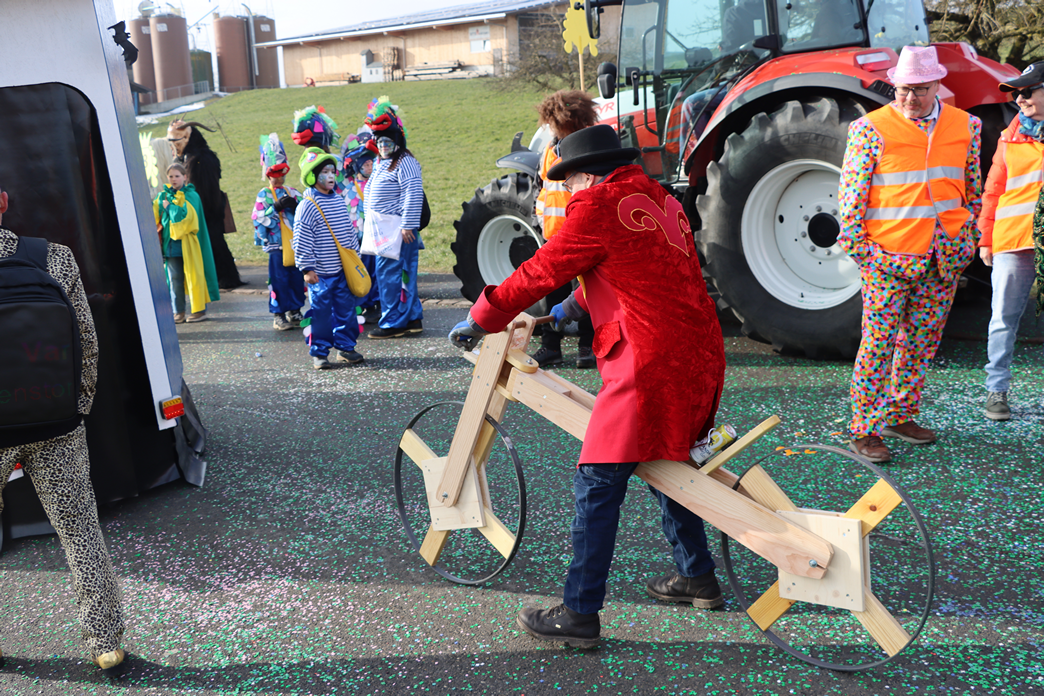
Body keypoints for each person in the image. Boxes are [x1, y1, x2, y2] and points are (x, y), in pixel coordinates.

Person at [448, 125, 727, 649]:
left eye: (569, 181)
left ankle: (579, 612)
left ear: (586, 175)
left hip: (648, 361)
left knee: (598, 481)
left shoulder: (597, 204)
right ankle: (697, 575)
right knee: (668, 460)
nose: (568, 190)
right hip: (699, 355)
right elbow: (638, 270)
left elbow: (539, 270)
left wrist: (482, 318)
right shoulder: (659, 197)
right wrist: (566, 310)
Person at [0, 183, 126, 670]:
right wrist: (76, 409)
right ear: (3, 202)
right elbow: (86, 342)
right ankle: (106, 642)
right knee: (79, 531)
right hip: (56, 421)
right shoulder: (53, 257)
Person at [837, 46, 982, 463]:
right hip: (887, 259)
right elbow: (850, 200)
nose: (909, 98)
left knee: (921, 343)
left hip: (943, 258)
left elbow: (971, 189)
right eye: (902, 89)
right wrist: (866, 254)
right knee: (877, 346)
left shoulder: (967, 126)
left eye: (919, 89)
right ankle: (865, 429)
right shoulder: (870, 129)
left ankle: (900, 414)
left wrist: (967, 237)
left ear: (937, 86)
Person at [977, 62, 1044, 421]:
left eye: (1028, 91)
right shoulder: (1010, 136)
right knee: (1003, 319)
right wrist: (986, 239)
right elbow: (994, 189)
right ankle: (996, 391)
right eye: (1017, 93)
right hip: (1012, 241)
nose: (1020, 99)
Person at [531, 90, 598, 369]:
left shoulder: (585, 148)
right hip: (554, 235)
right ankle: (551, 346)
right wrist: (540, 219)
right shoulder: (549, 150)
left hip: (580, 233)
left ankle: (587, 345)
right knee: (554, 292)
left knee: (587, 292)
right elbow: (543, 188)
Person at [292, 147, 364, 369]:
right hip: (320, 275)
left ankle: (346, 347)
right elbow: (301, 239)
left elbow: (349, 232)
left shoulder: (338, 200)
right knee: (321, 315)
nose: (331, 176)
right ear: (312, 176)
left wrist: (356, 258)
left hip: (342, 271)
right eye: (325, 172)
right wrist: (307, 268)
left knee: (346, 312)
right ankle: (320, 352)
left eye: (333, 171)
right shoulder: (307, 206)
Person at [363, 97, 424, 339]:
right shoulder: (382, 162)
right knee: (399, 274)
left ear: (398, 141)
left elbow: (413, 192)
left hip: (397, 230)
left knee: (391, 276)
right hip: (383, 230)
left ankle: (393, 323)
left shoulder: (405, 162)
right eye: (379, 142)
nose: (383, 146)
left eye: (388, 141)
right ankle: (412, 318)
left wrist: (408, 225)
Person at [167, 120, 244, 289]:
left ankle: (225, 277)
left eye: (176, 141)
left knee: (213, 241)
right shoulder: (190, 158)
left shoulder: (200, 159)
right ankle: (216, 277)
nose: (174, 146)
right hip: (202, 207)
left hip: (207, 208)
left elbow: (201, 188)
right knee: (208, 242)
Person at [252, 133, 305, 331]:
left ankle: (295, 310)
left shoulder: (292, 191)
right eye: (275, 175)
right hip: (276, 245)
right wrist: (274, 208)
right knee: (279, 280)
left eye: (282, 174)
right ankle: (279, 314)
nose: (279, 178)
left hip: (294, 244)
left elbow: (306, 210)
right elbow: (257, 216)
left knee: (296, 278)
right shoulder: (264, 194)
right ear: (268, 175)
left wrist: (296, 206)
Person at [154, 163, 219, 323]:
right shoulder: (163, 196)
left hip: (189, 245)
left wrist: (169, 207)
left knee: (194, 276)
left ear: (185, 177)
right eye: (171, 176)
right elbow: (153, 215)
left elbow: (186, 219)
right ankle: (178, 311)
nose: (174, 179)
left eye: (177, 176)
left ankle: (199, 311)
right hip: (171, 246)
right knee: (174, 279)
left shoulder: (191, 196)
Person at [342, 131, 381, 325]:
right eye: (365, 164)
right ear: (357, 166)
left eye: (372, 163)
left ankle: (378, 301)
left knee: (377, 270)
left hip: (378, 237)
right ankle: (365, 304)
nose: (370, 167)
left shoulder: (377, 184)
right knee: (363, 271)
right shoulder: (349, 190)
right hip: (360, 240)